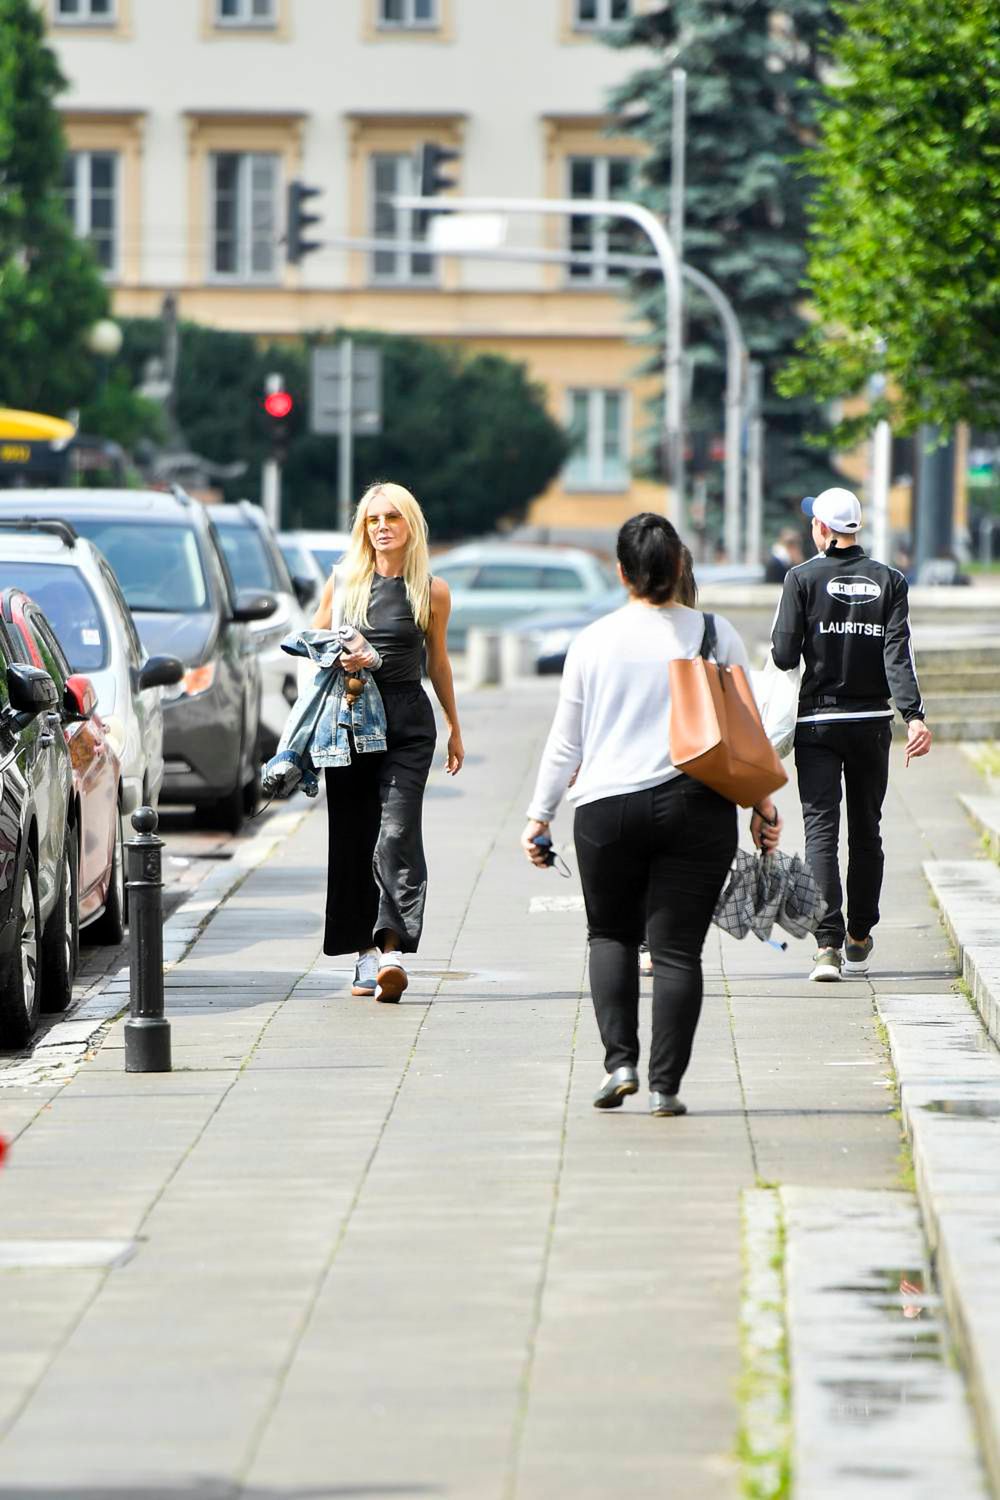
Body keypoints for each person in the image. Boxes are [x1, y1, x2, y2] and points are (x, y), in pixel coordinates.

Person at [521, 514, 781, 1117]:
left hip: (606, 810)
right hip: (698, 806)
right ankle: (666, 1087)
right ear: (681, 566)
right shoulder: (717, 635)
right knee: (677, 952)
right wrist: (762, 803)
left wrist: (540, 815)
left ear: (621, 572)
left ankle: (620, 1065)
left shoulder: (593, 640)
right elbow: (749, 732)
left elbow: (567, 742)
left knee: (609, 934)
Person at [771, 487, 932, 983]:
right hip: (870, 726)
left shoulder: (800, 579)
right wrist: (914, 715)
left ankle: (827, 947)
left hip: (817, 723)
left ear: (820, 528)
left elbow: (782, 655)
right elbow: (896, 653)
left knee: (821, 832)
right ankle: (860, 934)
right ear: (855, 529)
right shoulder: (890, 581)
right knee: (867, 830)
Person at [312, 481, 464, 1002]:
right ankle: (364, 955)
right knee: (354, 836)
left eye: (391, 518)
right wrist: (339, 657)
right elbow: (311, 645)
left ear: (410, 525)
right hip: (353, 718)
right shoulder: (344, 582)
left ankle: (392, 950)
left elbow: (438, 661)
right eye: (373, 519)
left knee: (397, 831)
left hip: (407, 721)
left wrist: (454, 726)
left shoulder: (431, 591)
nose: (381, 527)